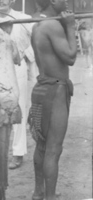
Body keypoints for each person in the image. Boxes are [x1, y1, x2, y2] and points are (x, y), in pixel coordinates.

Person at [27, 0, 77, 200]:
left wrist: (65, 26)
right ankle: (49, 197)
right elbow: (71, 57)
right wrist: (71, 26)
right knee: (53, 149)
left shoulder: (39, 25)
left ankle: (39, 192)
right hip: (55, 91)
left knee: (42, 146)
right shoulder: (52, 25)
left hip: (42, 88)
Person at [0, 0, 36, 169]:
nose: (1, 2)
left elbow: (37, 41)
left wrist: (24, 56)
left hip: (16, 68)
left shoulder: (23, 19)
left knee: (18, 108)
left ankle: (18, 153)